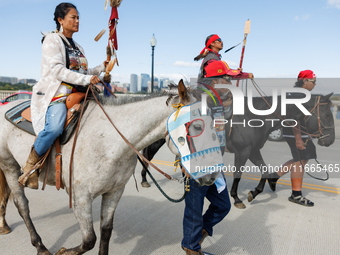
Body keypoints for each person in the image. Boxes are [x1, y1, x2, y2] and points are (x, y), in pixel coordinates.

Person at [18, 2, 107, 189]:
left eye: (78, 17)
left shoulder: (78, 47)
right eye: (73, 17)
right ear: (60, 19)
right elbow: (58, 70)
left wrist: (102, 67)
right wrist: (88, 78)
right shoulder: (52, 40)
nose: (77, 21)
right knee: (54, 128)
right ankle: (30, 167)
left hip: (79, 93)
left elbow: (83, 70)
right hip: (56, 94)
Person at [268, 70, 317, 207]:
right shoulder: (298, 94)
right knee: (300, 160)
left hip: (300, 132)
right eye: (312, 81)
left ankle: (274, 176)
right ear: (304, 81)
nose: (314, 84)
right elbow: (295, 118)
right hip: (295, 132)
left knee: (301, 159)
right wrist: (298, 138)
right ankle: (296, 194)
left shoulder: (298, 93)